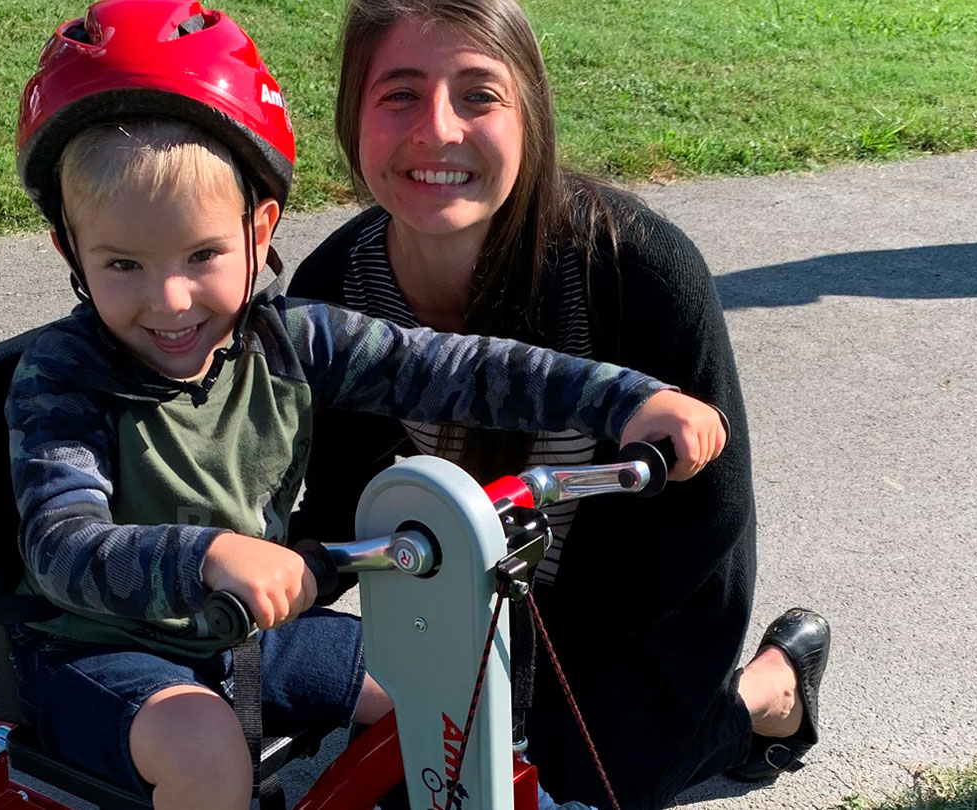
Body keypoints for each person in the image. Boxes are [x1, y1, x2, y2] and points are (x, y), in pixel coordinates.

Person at [3, 2, 728, 809]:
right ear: (72, 251)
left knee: (444, 675)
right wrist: (208, 555)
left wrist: (624, 399)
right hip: (102, 653)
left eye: (203, 255)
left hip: (248, 638)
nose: (171, 301)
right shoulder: (63, 375)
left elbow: (453, 368)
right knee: (205, 747)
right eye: (123, 265)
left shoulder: (290, 337)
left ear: (259, 228)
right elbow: (60, 545)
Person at [286, 1, 832, 808]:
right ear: (349, 117)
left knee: (559, 785)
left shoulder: (637, 271)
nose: (436, 129)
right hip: (476, 600)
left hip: (642, 602)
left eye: (478, 94)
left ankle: (765, 694)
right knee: (429, 777)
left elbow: (704, 524)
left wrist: (532, 683)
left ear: (530, 115)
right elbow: (339, 496)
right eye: (398, 93)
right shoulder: (333, 291)